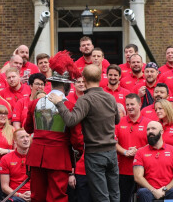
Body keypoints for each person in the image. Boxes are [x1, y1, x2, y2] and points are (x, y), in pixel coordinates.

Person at [49, 63, 120, 202]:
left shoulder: (85, 99)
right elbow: (117, 120)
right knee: (114, 194)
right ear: (100, 78)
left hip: (95, 154)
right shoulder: (110, 98)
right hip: (111, 152)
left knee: (101, 196)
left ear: (84, 79)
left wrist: (59, 103)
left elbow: (70, 121)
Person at [25, 51, 84, 202]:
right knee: (57, 196)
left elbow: (28, 128)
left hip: (37, 154)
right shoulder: (70, 105)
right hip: (59, 156)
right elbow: (77, 137)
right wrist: (79, 150)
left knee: (37, 196)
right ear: (66, 85)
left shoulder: (34, 103)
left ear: (50, 83)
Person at [133, 121, 173, 202]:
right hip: (148, 190)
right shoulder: (140, 152)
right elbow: (138, 177)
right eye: (148, 129)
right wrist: (153, 190)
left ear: (161, 132)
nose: (150, 131)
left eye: (153, 128)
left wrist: (164, 189)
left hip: (169, 189)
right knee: (143, 192)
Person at [115, 93, 151, 202]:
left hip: (145, 170)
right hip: (123, 170)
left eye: (132, 104)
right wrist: (125, 152)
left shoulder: (148, 123)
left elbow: (153, 143)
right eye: (127, 104)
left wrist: (138, 151)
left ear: (140, 104)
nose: (129, 107)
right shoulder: (118, 122)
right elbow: (113, 142)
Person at [0, 128, 31, 202]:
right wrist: (19, 195)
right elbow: (4, 186)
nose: (26, 139)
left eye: (27, 136)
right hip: (16, 196)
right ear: (15, 141)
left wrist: (33, 193)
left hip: (35, 194)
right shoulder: (6, 158)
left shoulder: (37, 156)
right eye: (22, 137)